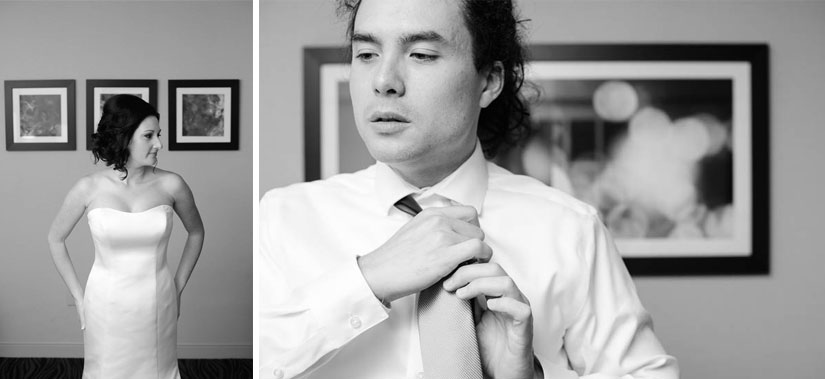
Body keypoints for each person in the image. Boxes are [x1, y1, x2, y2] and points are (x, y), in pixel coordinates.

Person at [259, 0, 679, 378]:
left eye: (421, 54)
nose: (384, 80)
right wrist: (367, 282)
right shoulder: (283, 218)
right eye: (366, 54)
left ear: (489, 81)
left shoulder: (571, 228)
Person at [48, 94, 205, 378]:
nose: (158, 144)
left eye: (158, 135)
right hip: (105, 303)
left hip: (157, 300)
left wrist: (177, 288)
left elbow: (196, 232)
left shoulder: (173, 184)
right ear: (124, 137)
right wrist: (79, 299)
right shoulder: (88, 187)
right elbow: (55, 238)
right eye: (149, 135)